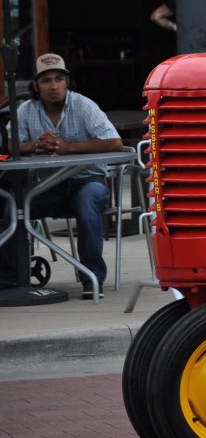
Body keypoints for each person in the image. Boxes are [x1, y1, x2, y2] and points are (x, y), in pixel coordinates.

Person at [0, 54, 122, 299]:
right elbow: (6, 143)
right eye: (46, 80)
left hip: (89, 181)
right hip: (48, 186)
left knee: (87, 204)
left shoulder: (83, 105)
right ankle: (10, 279)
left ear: (67, 81)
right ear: (36, 85)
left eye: (59, 79)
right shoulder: (26, 110)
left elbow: (115, 142)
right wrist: (34, 146)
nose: (53, 86)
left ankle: (91, 279)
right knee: (12, 206)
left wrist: (67, 148)